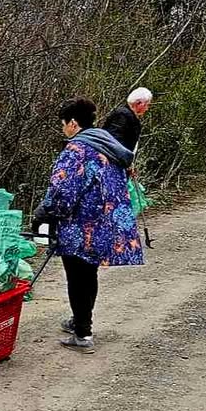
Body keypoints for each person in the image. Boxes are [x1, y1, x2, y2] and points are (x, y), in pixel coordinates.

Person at [32, 98, 144, 353]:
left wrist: (43, 214)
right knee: (88, 274)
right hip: (105, 225)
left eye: (63, 124)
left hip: (80, 227)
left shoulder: (77, 150)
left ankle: (83, 333)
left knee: (77, 277)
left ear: (73, 123)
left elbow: (63, 193)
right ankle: (80, 321)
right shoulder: (108, 145)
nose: (63, 129)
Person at [102, 87, 152, 152]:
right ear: (138, 103)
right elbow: (113, 139)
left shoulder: (130, 116)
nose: (147, 109)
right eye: (147, 105)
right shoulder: (122, 115)